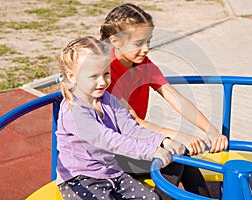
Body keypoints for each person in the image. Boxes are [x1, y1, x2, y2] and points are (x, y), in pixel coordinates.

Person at [100, 3, 229, 199]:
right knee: (174, 158)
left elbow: (174, 97)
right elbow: (134, 122)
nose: (146, 49)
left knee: (179, 155)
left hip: (132, 142)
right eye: (138, 43)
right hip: (111, 151)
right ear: (115, 41)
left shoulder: (144, 64)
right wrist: (180, 135)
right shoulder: (106, 72)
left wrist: (210, 130)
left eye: (148, 41)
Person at [55, 36, 186, 200]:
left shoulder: (108, 99)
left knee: (155, 197)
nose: (102, 82)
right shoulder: (74, 110)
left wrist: (163, 141)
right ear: (72, 76)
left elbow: (130, 129)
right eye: (93, 76)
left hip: (112, 172)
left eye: (106, 74)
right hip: (80, 178)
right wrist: (151, 151)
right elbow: (110, 140)